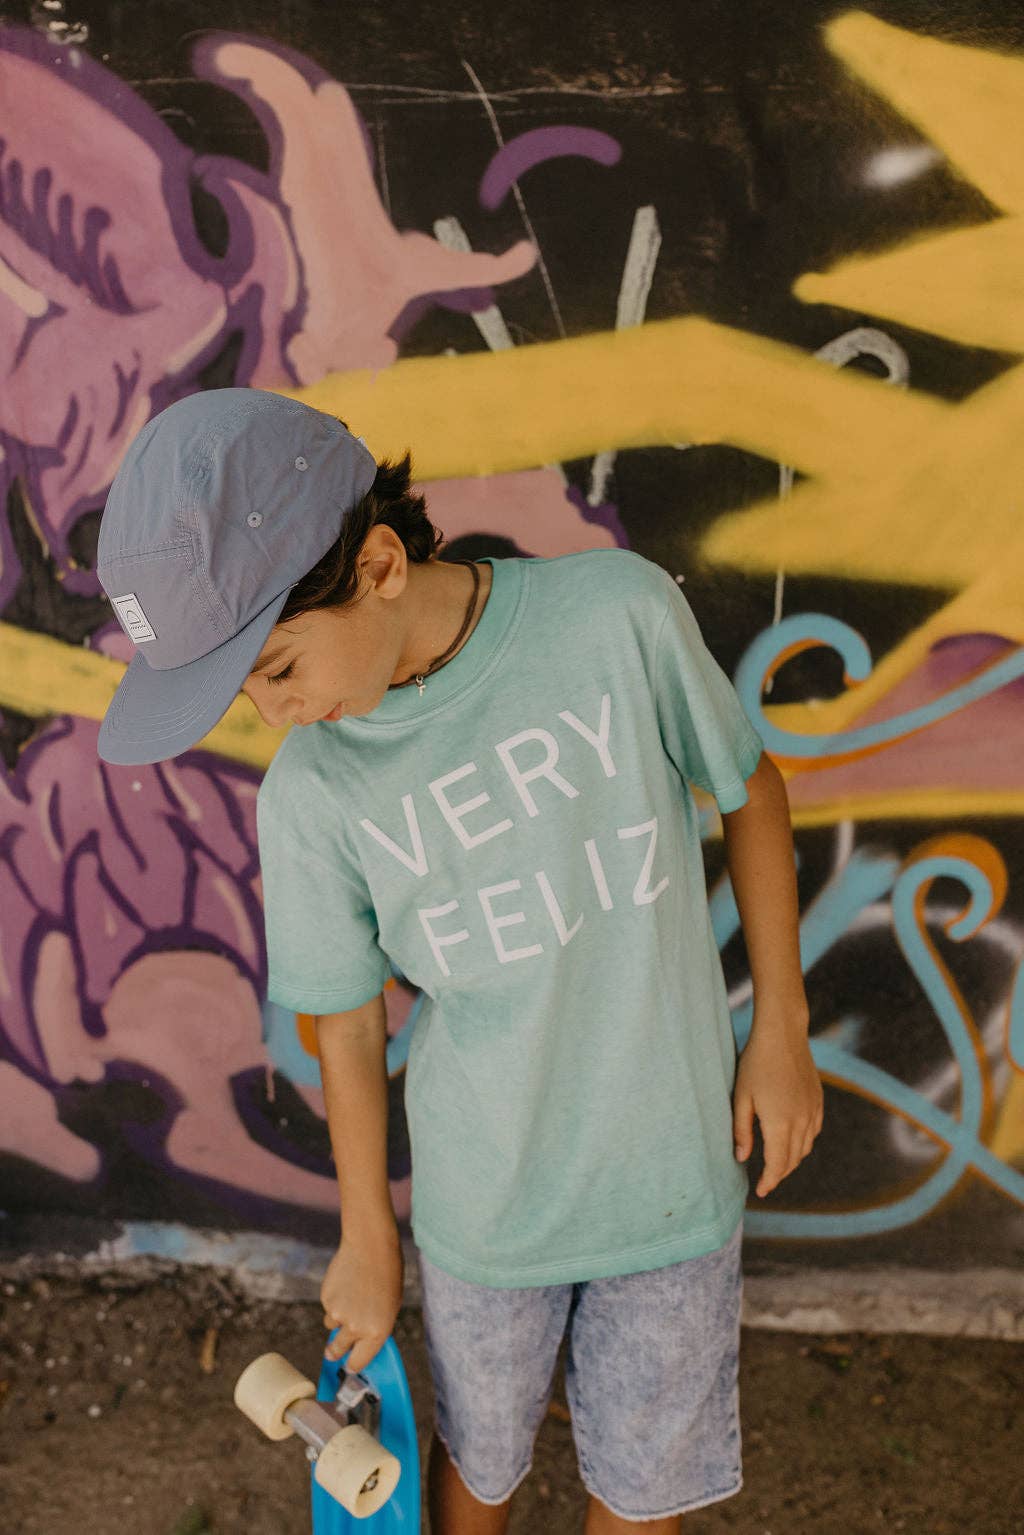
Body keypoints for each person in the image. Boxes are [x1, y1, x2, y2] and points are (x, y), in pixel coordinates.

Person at [97, 387, 823, 1535]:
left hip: (671, 1178)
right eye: (247, 692)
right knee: (475, 1466)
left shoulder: (617, 617)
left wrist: (780, 1028)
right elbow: (345, 1018)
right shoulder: (313, 793)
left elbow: (752, 787)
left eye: (277, 667)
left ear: (380, 564)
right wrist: (366, 1232)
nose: (276, 713)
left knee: (642, 1485)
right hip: (485, 1209)